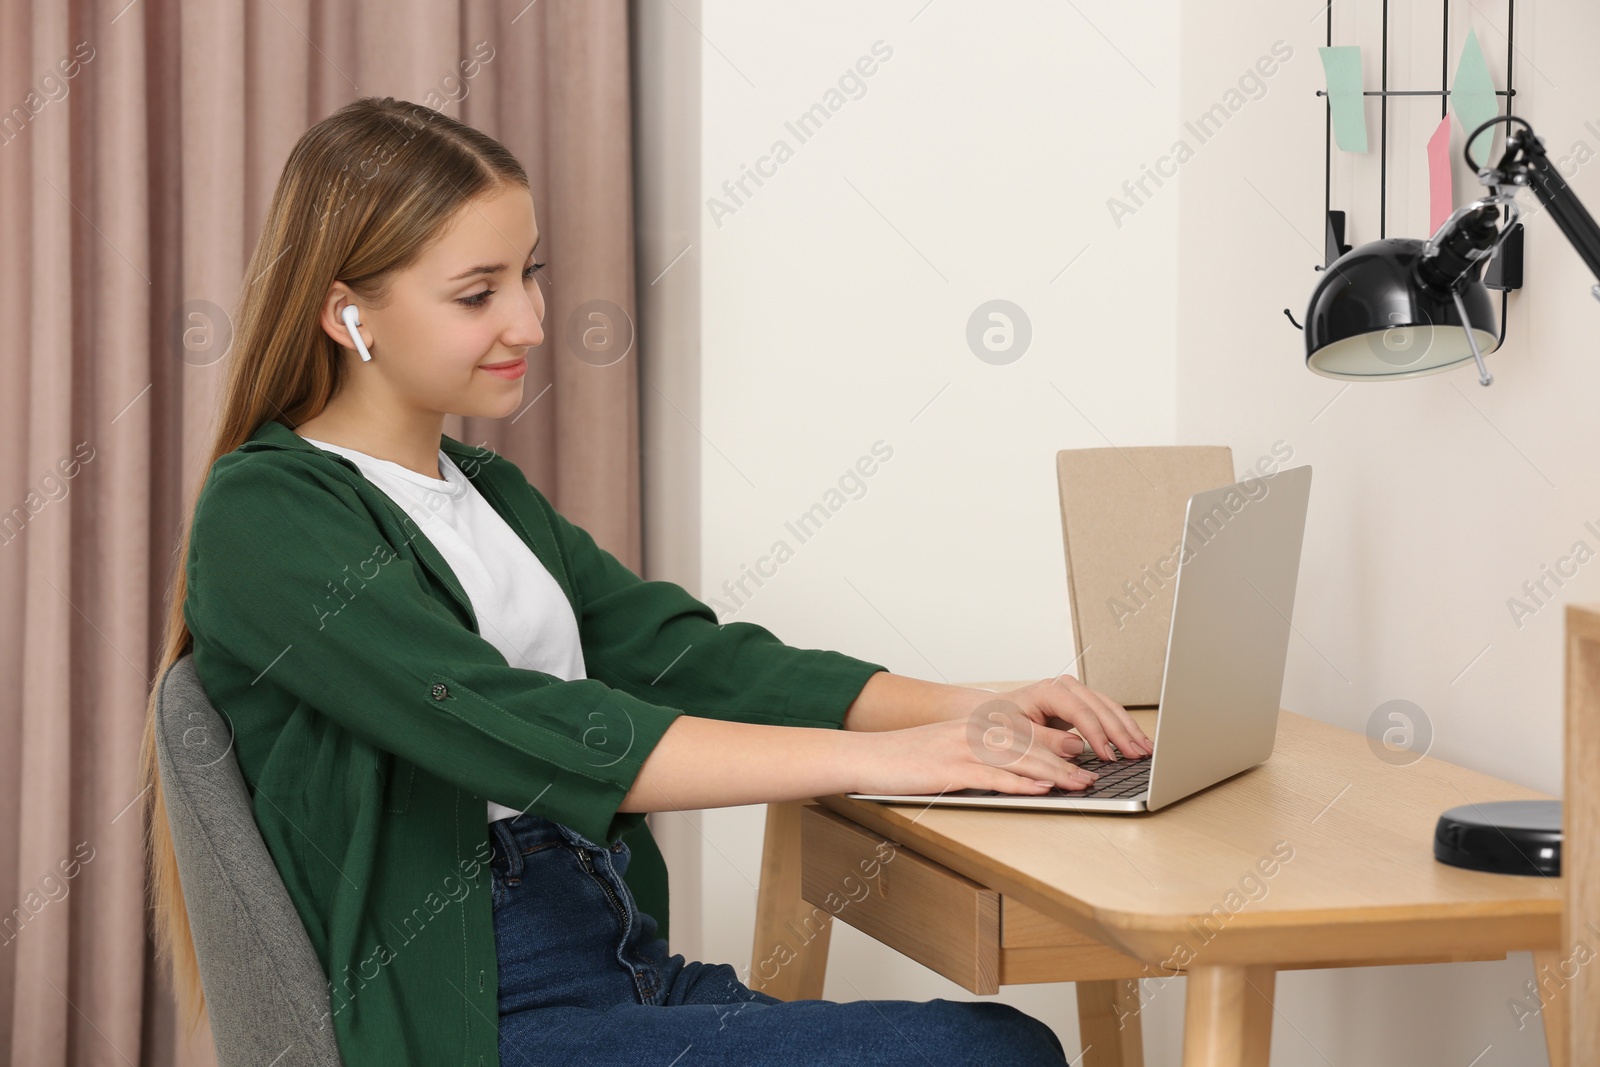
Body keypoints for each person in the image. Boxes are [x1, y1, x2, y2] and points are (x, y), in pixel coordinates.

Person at [139, 96, 1152, 1066]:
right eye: (477, 292)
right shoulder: (267, 516)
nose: (531, 322)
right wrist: (884, 755)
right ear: (346, 313)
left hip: (619, 957)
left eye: (529, 274)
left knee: (986, 1041)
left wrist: (975, 707)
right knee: (990, 1052)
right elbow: (511, 723)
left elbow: (684, 657)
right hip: (480, 1015)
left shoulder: (483, 490)